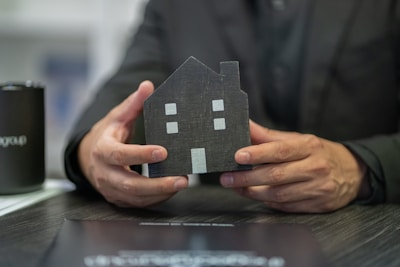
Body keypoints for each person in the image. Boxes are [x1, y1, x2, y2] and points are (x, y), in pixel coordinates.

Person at [64, 0, 400, 213]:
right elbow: (124, 95)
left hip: (366, 228)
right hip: (225, 226)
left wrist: (361, 167)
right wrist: (93, 152)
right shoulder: (176, 7)